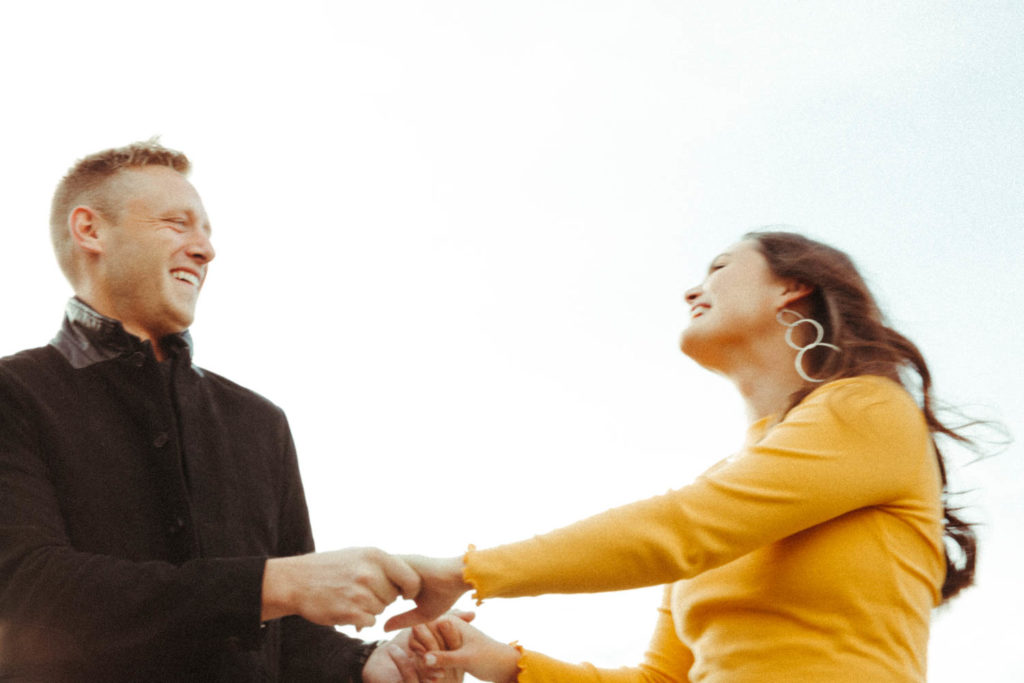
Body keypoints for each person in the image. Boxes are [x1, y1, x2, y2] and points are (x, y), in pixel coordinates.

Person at [390, 232, 980, 682]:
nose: (692, 290)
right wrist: (498, 661)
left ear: (791, 288)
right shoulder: (726, 482)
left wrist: (465, 572)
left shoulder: (869, 410)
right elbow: (662, 678)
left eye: (719, 268)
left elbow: (683, 526)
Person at [0, 140, 462, 681]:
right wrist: (276, 584)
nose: (205, 250)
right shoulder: (14, 393)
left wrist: (369, 664)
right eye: (178, 223)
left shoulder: (260, 424)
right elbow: (24, 590)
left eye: (208, 233)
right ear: (90, 230)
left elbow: (291, 640)